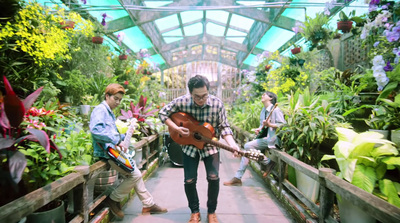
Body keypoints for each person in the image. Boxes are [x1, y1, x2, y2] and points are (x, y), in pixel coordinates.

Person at [158, 75, 240, 223]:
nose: (201, 100)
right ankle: (195, 212)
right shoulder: (181, 101)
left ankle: (211, 212)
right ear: (190, 93)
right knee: (189, 180)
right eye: (197, 97)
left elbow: (224, 126)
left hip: (210, 145)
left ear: (208, 91)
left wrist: (232, 144)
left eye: (204, 96)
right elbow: (162, 113)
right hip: (189, 145)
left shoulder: (217, 104)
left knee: (213, 178)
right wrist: (176, 128)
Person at [89, 83, 167, 219]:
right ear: (107, 96)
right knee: (135, 175)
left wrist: (126, 135)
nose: (118, 102)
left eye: (120, 99)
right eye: (116, 99)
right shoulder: (100, 110)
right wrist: (117, 139)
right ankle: (113, 199)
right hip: (107, 153)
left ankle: (148, 204)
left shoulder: (108, 112)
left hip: (113, 151)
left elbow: (112, 134)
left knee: (135, 173)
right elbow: (96, 131)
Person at [224, 91, 286, 186]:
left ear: (271, 98)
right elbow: (264, 127)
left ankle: (238, 176)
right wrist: (259, 129)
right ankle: (266, 162)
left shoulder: (276, 110)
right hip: (266, 138)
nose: (262, 95)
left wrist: (270, 124)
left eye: (264, 95)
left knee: (247, 147)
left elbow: (283, 125)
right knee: (247, 146)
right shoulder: (263, 111)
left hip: (273, 140)